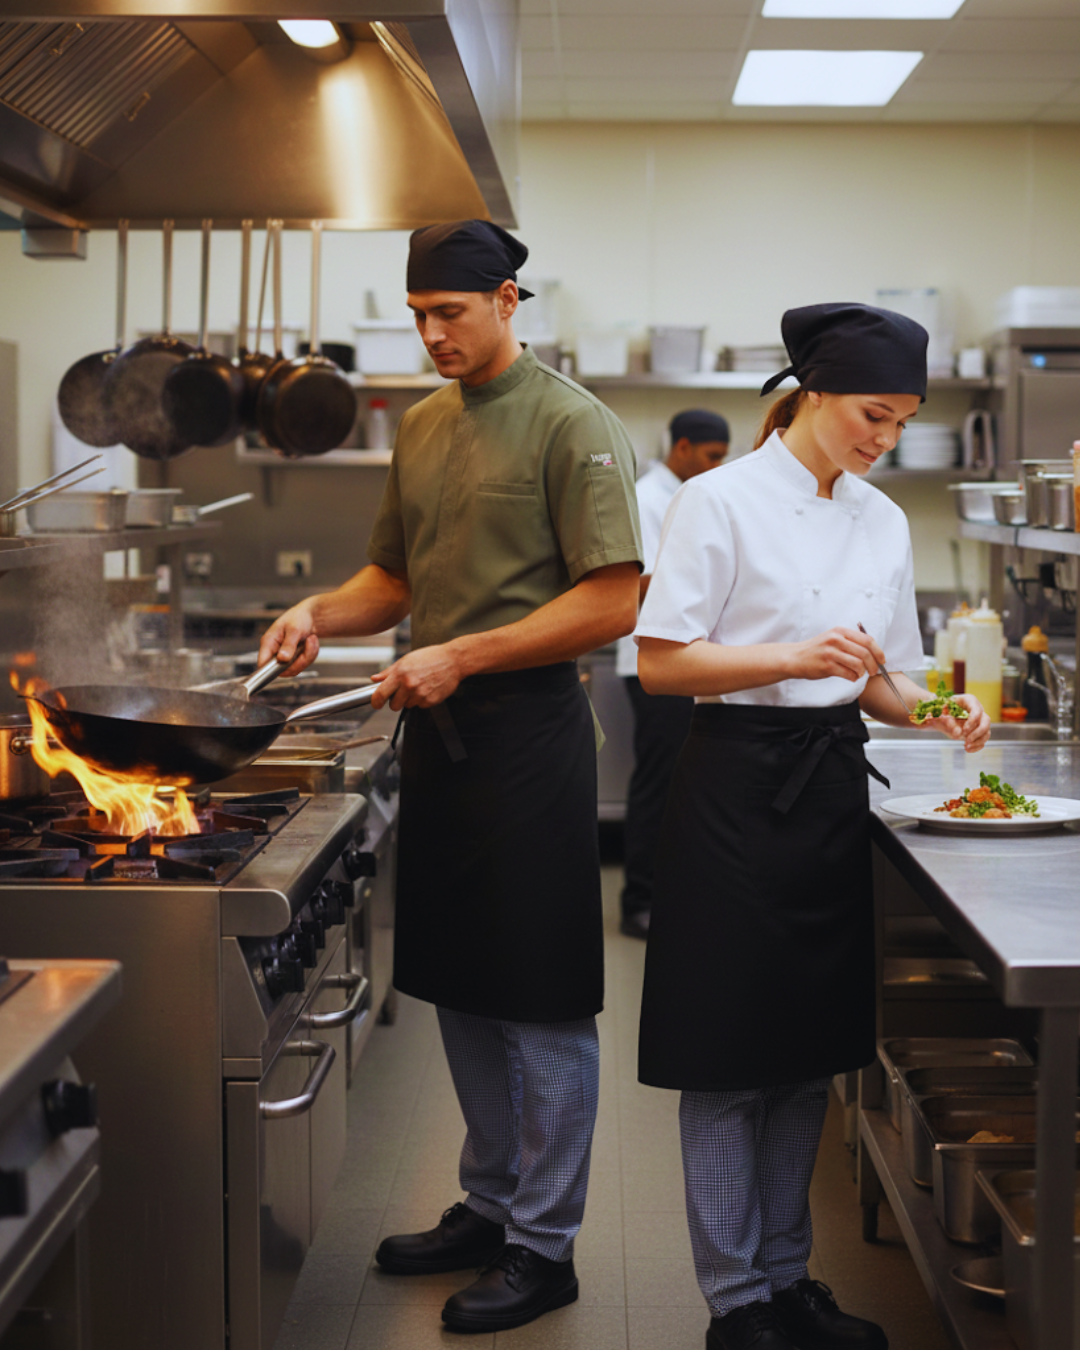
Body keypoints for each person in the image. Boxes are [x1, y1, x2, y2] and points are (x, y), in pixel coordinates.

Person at [257, 219, 643, 1336]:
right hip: (440, 738)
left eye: (451, 315)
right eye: (420, 315)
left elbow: (615, 598)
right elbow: (393, 574)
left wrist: (462, 653)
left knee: (541, 1000)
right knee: (464, 988)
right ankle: (490, 1205)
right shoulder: (423, 426)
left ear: (510, 300)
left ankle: (546, 1244)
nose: (432, 335)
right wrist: (318, 615)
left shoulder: (574, 424)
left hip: (527, 738)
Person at [631, 303, 991, 1350]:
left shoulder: (881, 519)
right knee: (728, 1057)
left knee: (805, 1057)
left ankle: (787, 1283)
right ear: (814, 391)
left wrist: (936, 707)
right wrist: (788, 658)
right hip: (735, 792)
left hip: (833, 792)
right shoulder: (717, 501)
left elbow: (880, 679)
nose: (885, 437)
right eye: (874, 414)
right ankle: (734, 1302)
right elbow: (663, 663)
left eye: (904, 420)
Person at [615, 409, 730, 939]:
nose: (715, 467)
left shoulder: (694, 495)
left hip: (688, 658)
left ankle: (670, 895)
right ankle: (638, 900)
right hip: (652, 660)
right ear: (681, 446)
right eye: (710, 456)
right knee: (658, 782)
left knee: (680, 781)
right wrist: (696, 580)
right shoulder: (646, 497)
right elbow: (627, 581)